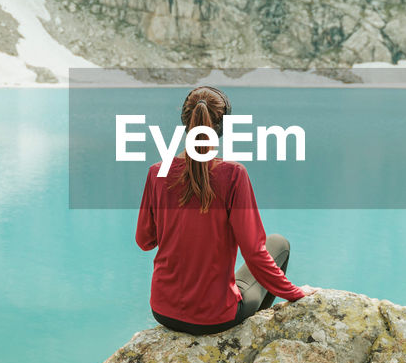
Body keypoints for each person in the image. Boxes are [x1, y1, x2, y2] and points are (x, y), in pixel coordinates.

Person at [135, 85, 317, 334]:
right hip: (215, 317)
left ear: (185, 123)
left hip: (163, 311)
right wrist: (295, 293)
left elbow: (145, 241)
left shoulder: (157, 172)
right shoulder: (233, 175)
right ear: (221, 127)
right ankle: (251, 337)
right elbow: (254, 253)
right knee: (278, 244)